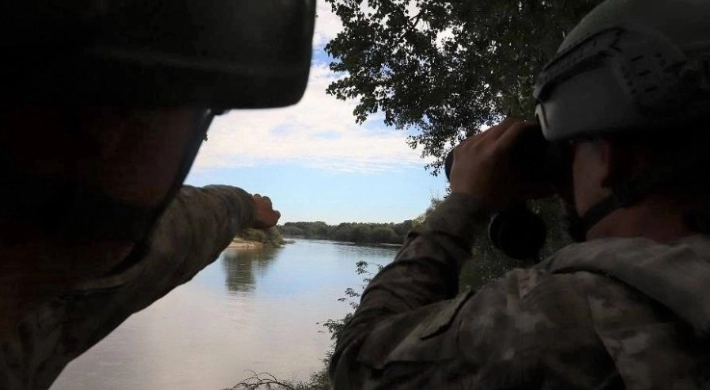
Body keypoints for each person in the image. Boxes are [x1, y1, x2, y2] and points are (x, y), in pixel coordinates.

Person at [329, 0, 710, 388]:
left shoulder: (582, 312)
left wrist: (463, 204)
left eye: (571, 147)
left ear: (611, 156)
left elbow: (359, 363)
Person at [0, 2, 315, 389]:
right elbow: (179, 231)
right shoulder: (58, 287)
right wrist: (247, 207)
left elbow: (189, 222)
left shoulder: (38, 286)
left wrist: (246, 206)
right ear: (111, 127)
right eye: (199, 116)